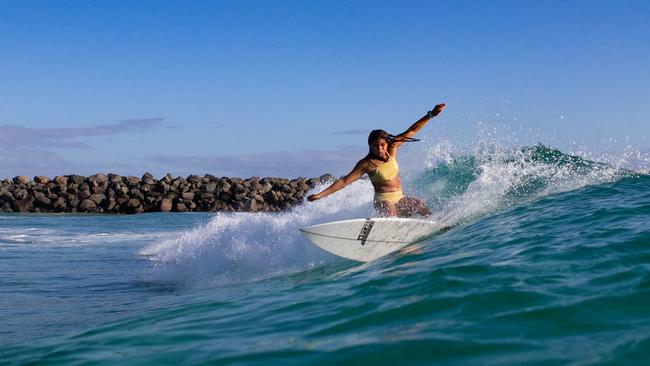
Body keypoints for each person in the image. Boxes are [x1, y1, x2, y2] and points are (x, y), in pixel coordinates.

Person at [307, 103, 446, 217]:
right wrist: (320, 195)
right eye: (375, 146)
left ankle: (434, 227)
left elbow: (412, 131)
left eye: (382, 145)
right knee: (391, 212)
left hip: (400, 198)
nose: (379, 148)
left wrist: (430, 115)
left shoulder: (392, 149)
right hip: (383, 202)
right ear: (370, 146)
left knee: (420, 204)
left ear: (387, 143)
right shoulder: (367, 164)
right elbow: (344, 181)